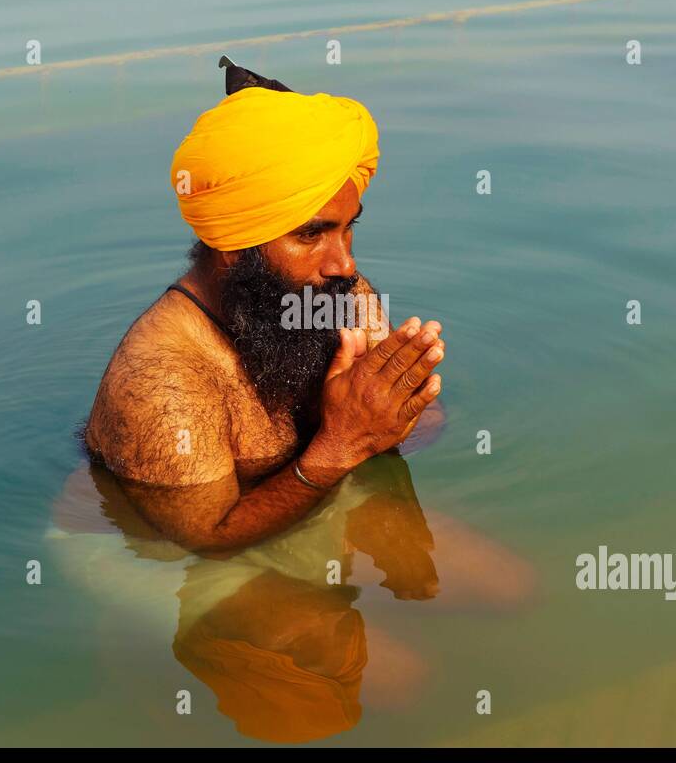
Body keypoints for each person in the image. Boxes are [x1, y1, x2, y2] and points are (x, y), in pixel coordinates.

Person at [83, 57, 445, 551]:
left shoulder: (331, 293)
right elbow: (208, 539)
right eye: (312, 233)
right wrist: (340, 444)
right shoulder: (162, 379)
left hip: (316, 497)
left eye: (348, 227)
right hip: (156, 554)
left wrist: (378, 415)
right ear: (236, 244)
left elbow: (425, 424)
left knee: (511, 590)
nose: (343, 263)